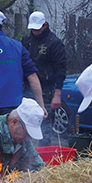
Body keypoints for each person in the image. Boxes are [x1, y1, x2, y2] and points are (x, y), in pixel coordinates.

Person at [22, 11, 67, 141]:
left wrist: (57, 94)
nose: (35, 32)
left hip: (46, 88)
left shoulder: (54, 43)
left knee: (44, 125)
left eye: (37, 29)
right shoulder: (26, 40)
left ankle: (44, 152)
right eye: (33, 29)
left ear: (45, 25)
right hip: (26, 87)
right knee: (24, 123)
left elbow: (61, 69)